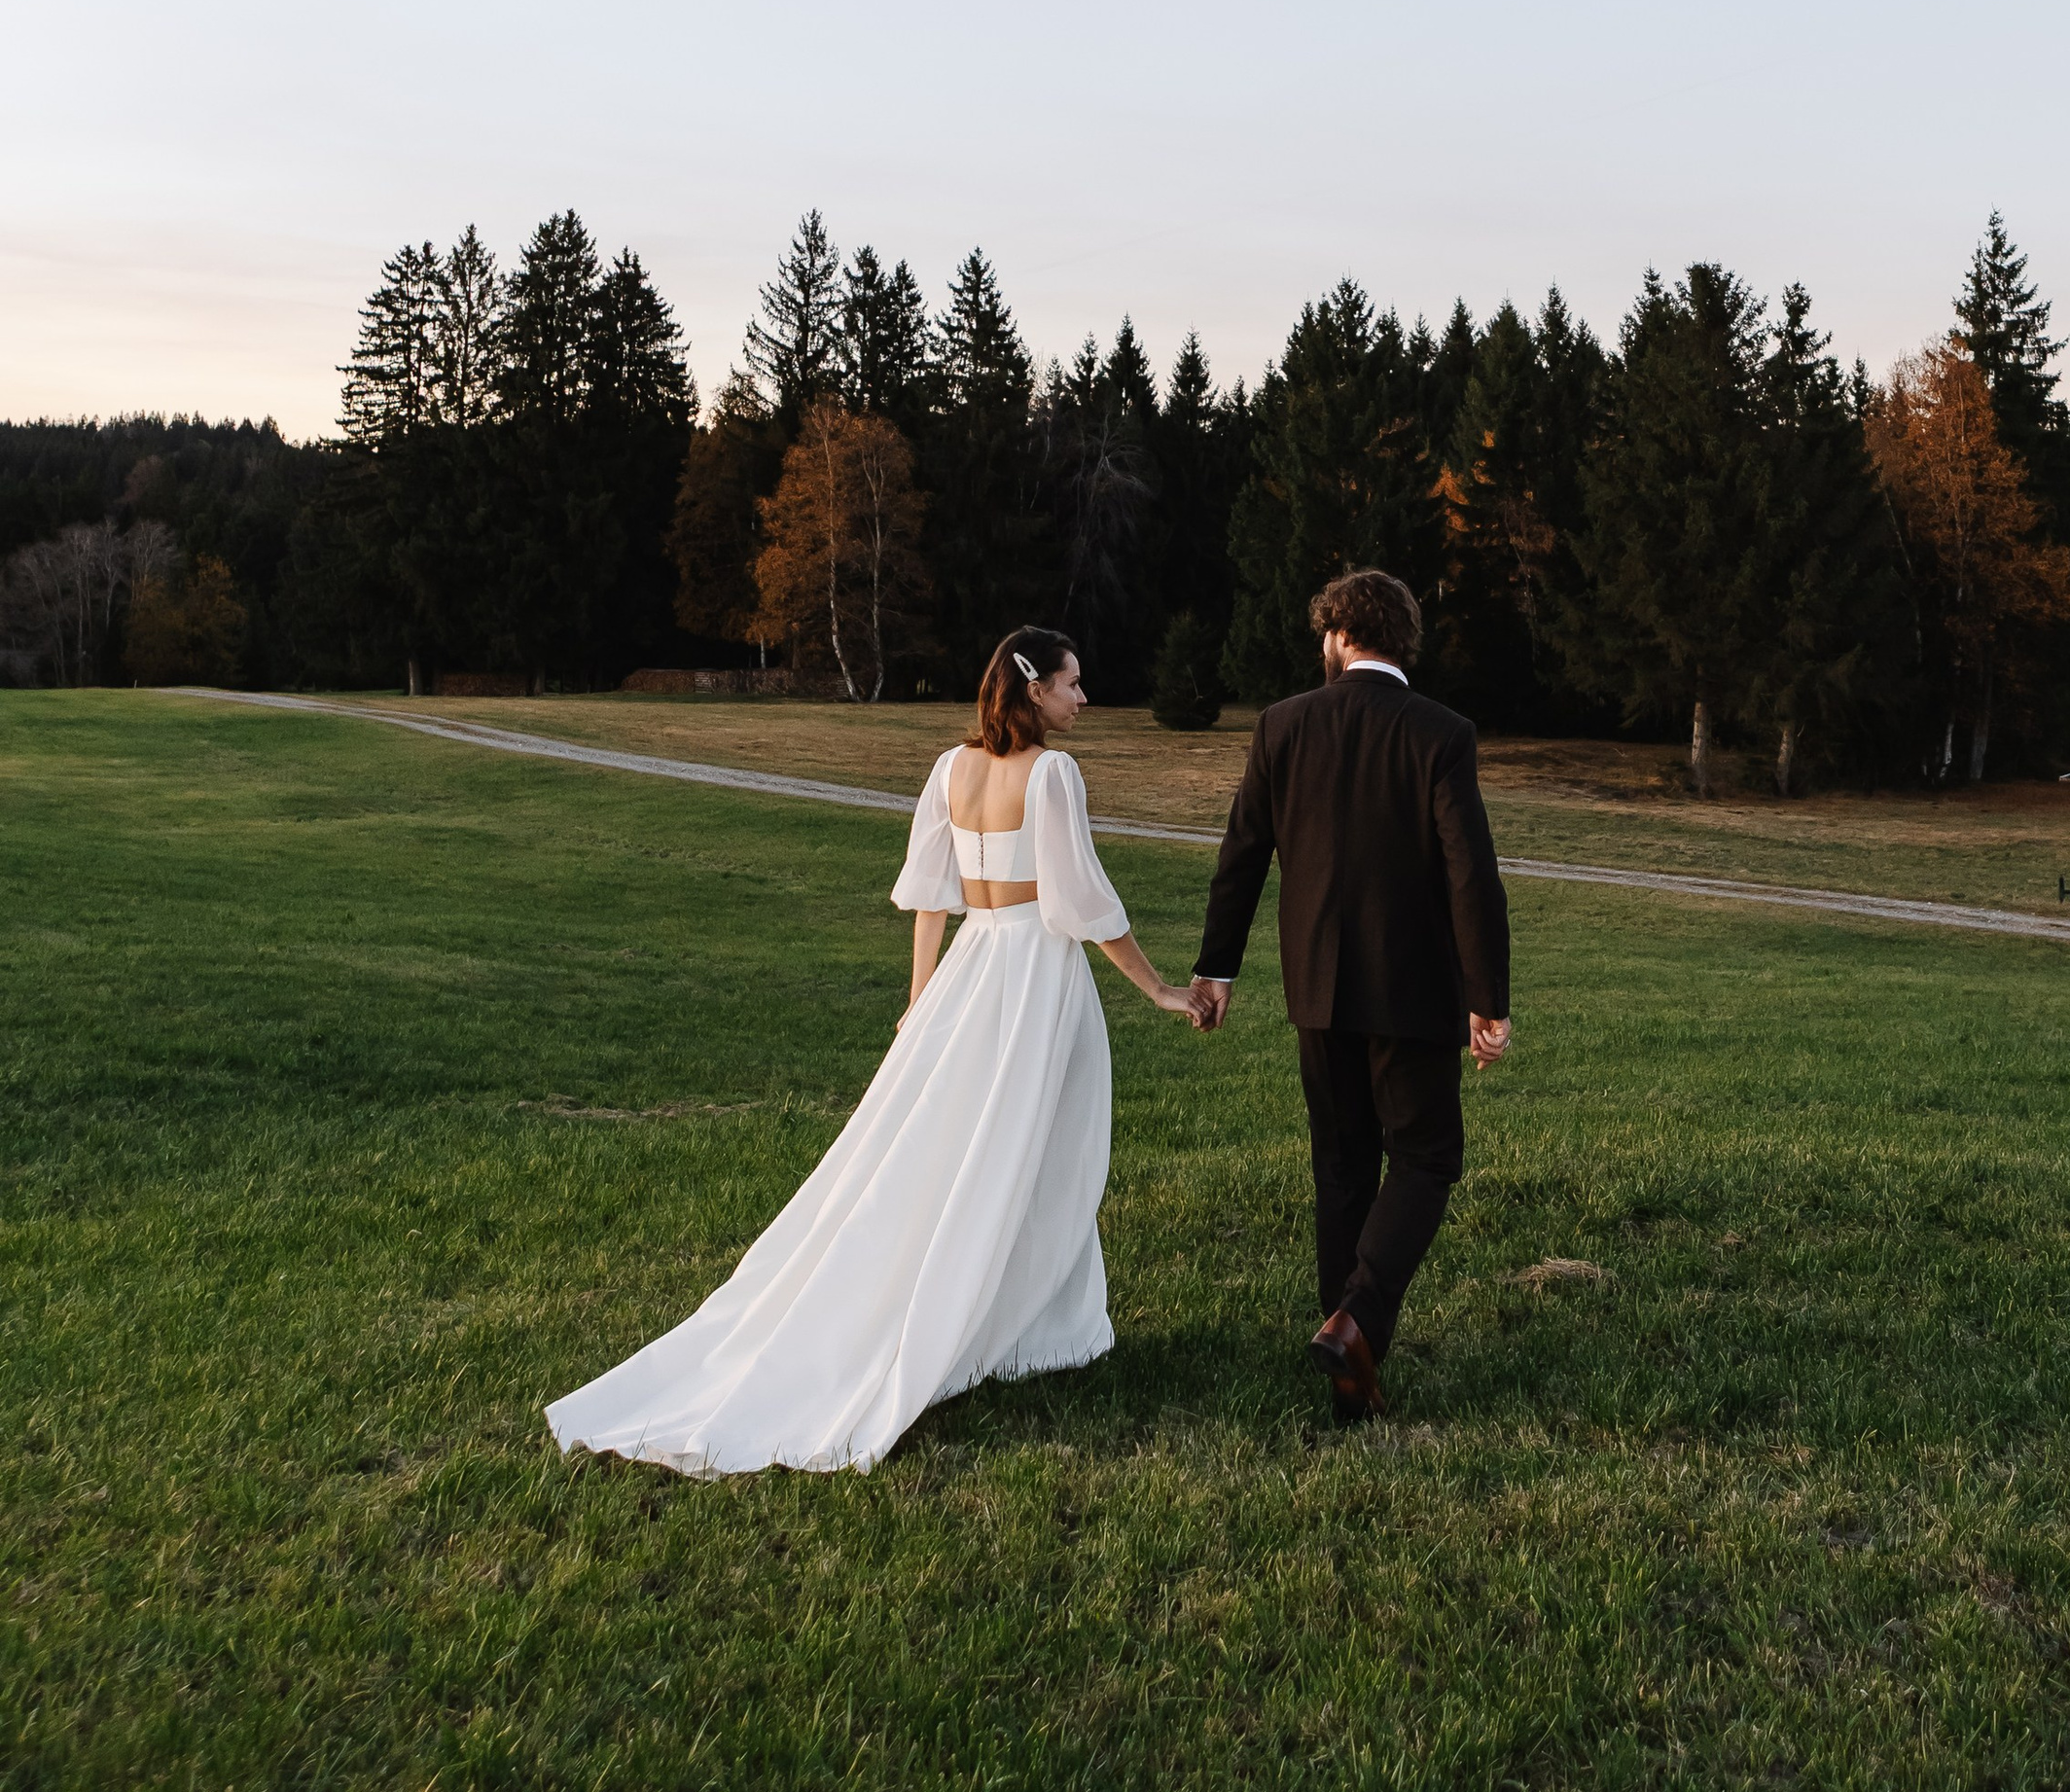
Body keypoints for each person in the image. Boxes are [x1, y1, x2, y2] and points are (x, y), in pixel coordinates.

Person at [545, 627, 1200, 1475]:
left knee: (963, 1148)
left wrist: (920, 1000)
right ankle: (1030, 1327)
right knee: (1043, 1147)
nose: (1084, 698)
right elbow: (1081, 901)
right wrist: (1159, 989)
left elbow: (933, 897)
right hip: (1035, 976)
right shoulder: (1053, 774)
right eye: (1073, 683)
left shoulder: (949, 768)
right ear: (1034, 690)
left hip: (969, 971)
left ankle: (1025, 1319)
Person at [1189, 568, 1513, 1423]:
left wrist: (1217, 970)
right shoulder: (1441, 732)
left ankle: (1350, 1371)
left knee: (1341, 1166)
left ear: (1339, 635)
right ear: (1404, 641)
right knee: (1427, 1157)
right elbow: (1471, 874)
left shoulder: (1283, 723)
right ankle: (1357, 1323)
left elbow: (1242, 854)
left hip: (1317, 989)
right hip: (1414, 990)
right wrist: (1488, 997)